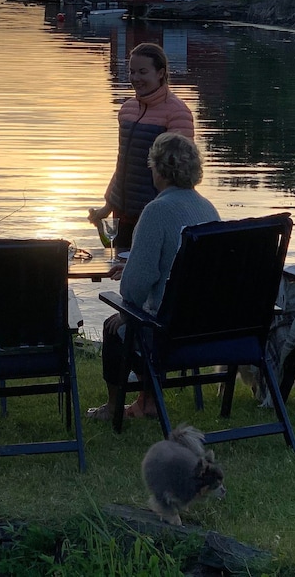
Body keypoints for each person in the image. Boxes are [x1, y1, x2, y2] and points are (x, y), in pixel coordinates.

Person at [87, 133, 219, 420]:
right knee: (140, 315)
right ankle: (147, 401)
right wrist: (137, 265)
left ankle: (113, 407)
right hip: (205, 326)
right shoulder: (208, 209)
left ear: (158, 170)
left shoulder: (156, 211)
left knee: (116, 324)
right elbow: (180, 263)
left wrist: (132, 279)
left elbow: (134, 289)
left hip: (167, 331)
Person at [89, 42, 194, 251]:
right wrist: (108, 206)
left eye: (143, 71)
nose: (135, 78)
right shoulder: (127, 109)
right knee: (122, 275)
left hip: (156, 216)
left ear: (161, 73)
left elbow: (182, 175)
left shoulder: (178, 113)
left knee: (150, 277)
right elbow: (124, 164)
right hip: (123, 215)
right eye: (132, 71)